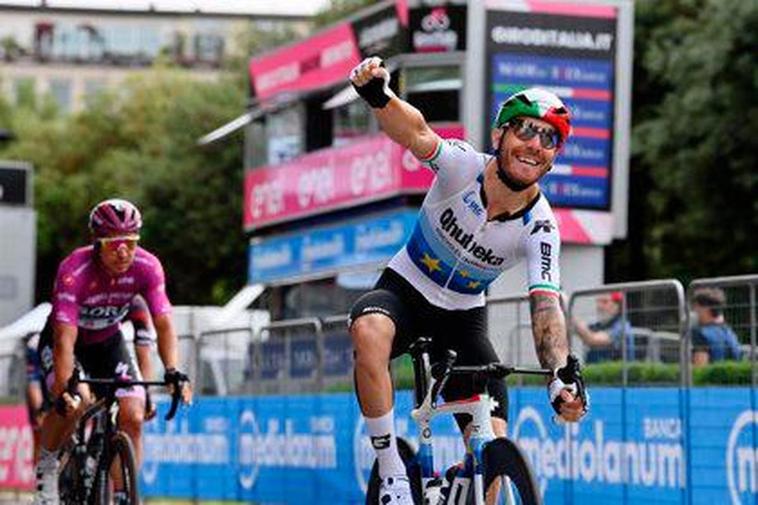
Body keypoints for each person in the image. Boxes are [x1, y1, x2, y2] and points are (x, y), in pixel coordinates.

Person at [348, 57, 589, 504]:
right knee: (369, 329)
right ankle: (392, 471)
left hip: (461, 319)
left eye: (549, 138)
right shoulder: (462, 167)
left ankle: (463, 485)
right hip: (406, 290)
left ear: (554, 157)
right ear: (500, 135)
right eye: (525, 130)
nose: (535, 144)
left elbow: (545, 305)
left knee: (493, 458)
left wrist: (559, 376)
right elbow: (416, 132)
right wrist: (379, 96)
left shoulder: (541, 227)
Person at [34, 198, 192, 505]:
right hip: (67, 341)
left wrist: (173, 370)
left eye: (131, 243)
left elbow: (163, 325)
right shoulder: (73, 270)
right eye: (114, 244)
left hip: (108, 342)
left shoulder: (148, 267)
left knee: (133, 415)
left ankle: (122, 496)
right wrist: (64, 387)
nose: (123, 252)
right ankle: (48, 467)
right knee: (75, 402)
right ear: (97, 243)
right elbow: (65, 339)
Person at [572, 291, 635, 363]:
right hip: (595, 370)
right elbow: (582, 331)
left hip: (615, 372)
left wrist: (570, 314)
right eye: (598, 302)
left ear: (617, 305)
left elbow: (592, 340)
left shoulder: (622, 326)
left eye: (605, 302)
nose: (599, 306)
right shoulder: (598, 325)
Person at [690, 287, 742, 365]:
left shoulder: (700, 333)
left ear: (705, 308)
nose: (694, 311)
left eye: (696, 307)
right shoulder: (729, 332)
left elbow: (699, 368)